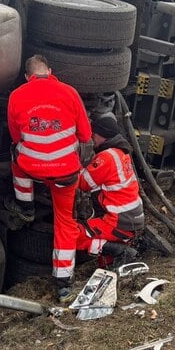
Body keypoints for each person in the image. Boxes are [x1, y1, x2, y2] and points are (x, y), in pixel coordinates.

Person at [6, 54, 92, 302]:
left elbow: (15, 136)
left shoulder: (16, 95)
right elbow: (85, 135)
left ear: (27, 76)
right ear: (50, 71)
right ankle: (64, 284)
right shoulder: (69, 92)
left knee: (16, 156)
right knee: (64, 223)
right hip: (65, 174)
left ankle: (25, 206)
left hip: (32, 169)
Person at [74, 115, 143, 269]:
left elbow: (83, 183)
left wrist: (73, 162)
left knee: (73, 235)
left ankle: (122, 251)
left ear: (102, 135)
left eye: (94, 135)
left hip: (119, 223)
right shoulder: (121, 153)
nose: (93, 139)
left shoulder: (106, 157)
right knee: (104, 261)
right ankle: (114, 260)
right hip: (131, 220)